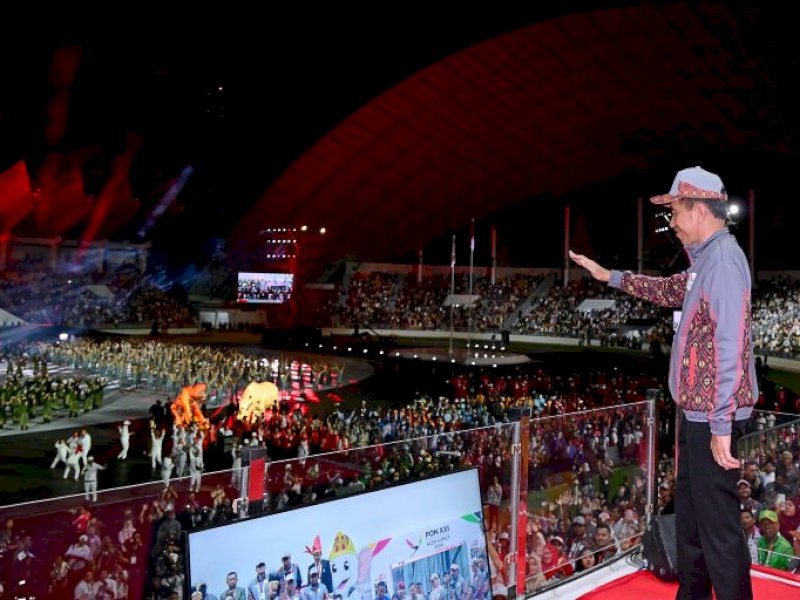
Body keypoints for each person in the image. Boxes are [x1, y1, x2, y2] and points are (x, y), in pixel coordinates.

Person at [569, 166, 757, 599]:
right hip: (701, 417)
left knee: (719, 536)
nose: (670, 221)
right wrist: (609, 277)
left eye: (674, 210)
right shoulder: (707, 260)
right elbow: (672, 291)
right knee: (691, 527)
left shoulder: (723, 260)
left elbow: (730, 347)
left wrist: (721, 427)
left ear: (696, 210)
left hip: (713, 418)